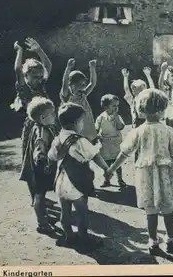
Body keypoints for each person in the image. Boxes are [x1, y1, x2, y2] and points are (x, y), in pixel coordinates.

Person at [106, 88, 173, 255]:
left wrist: (112, 168)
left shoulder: (138, 131)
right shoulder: (169, 131)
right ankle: (170, 239)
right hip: (166, 175)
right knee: (168, 209)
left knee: (151, 210)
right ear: (161, 110)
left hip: (145, 176)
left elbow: (124, 152)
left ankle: (153, 241)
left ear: (141, 110)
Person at [48, 103, 110, 247]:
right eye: (82, 121)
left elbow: (52, 157)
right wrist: (106, 169)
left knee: (65, 212)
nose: (83, 124)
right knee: (82, 213)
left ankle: (69, 236)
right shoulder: (80, 140)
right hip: (76, 184)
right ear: (76, 122)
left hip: (60, 182)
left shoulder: (57, 138)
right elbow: (95, 155)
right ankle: (84, 237)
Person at [10, 38, 53, 173]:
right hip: (32, 125)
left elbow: (48, 66)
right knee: (30, 151)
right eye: (35, 76)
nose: (39, 79)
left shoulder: (41, 85)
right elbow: (17, 69)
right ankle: (32, 178)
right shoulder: (24, 88)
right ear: (26, 75)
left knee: (49, 149)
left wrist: (39, 50)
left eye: (40, 76)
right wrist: (20, 51)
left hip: (48, 122)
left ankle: (47, 174)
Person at [19, 97, 58, 234]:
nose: (55, 115)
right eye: (52, 113)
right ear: (43, 117)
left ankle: (44, 218)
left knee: (40, 195)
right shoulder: (42, 132)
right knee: (39, 196)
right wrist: (45, 163)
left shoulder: (42, 127)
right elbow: (39, 152)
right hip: (39, 170)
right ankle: (42, 223)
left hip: (39, 169)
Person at [60, 58, 98, 144]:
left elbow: (93, 83)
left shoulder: (83, 95)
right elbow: (64, 84)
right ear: (71, 85)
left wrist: (92, 68)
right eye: (80, 84)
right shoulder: (67, 97)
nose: (83, 87)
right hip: (77, 134)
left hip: (89, 132)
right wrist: (68, 68)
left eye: (84, 84)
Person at [96, 94, 127, 188]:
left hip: (116, 142)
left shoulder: (117, 116)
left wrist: (116, 115)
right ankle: (107, 180)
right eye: (114, 105)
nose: (116, 108)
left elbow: (120, 126)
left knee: (117, 162)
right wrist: (96, 136)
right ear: (105, 106)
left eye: (117, 106)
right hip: (105, 143)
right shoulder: (101, 117)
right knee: (106, 163)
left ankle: (120, 179)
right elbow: (96, 129)